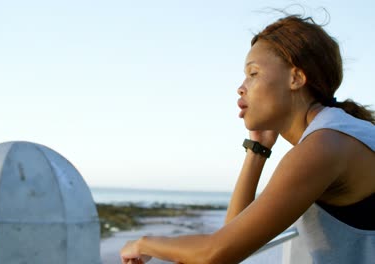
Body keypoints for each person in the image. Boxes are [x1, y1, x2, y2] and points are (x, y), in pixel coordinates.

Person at [120, 13, 375, 264]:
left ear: (296, 78)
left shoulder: (323, 146)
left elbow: (216, 253)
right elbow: (232, 237)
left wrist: (143, 242)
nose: (241, 87)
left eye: (253, 74)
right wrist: (258, 150)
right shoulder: (337, 132)